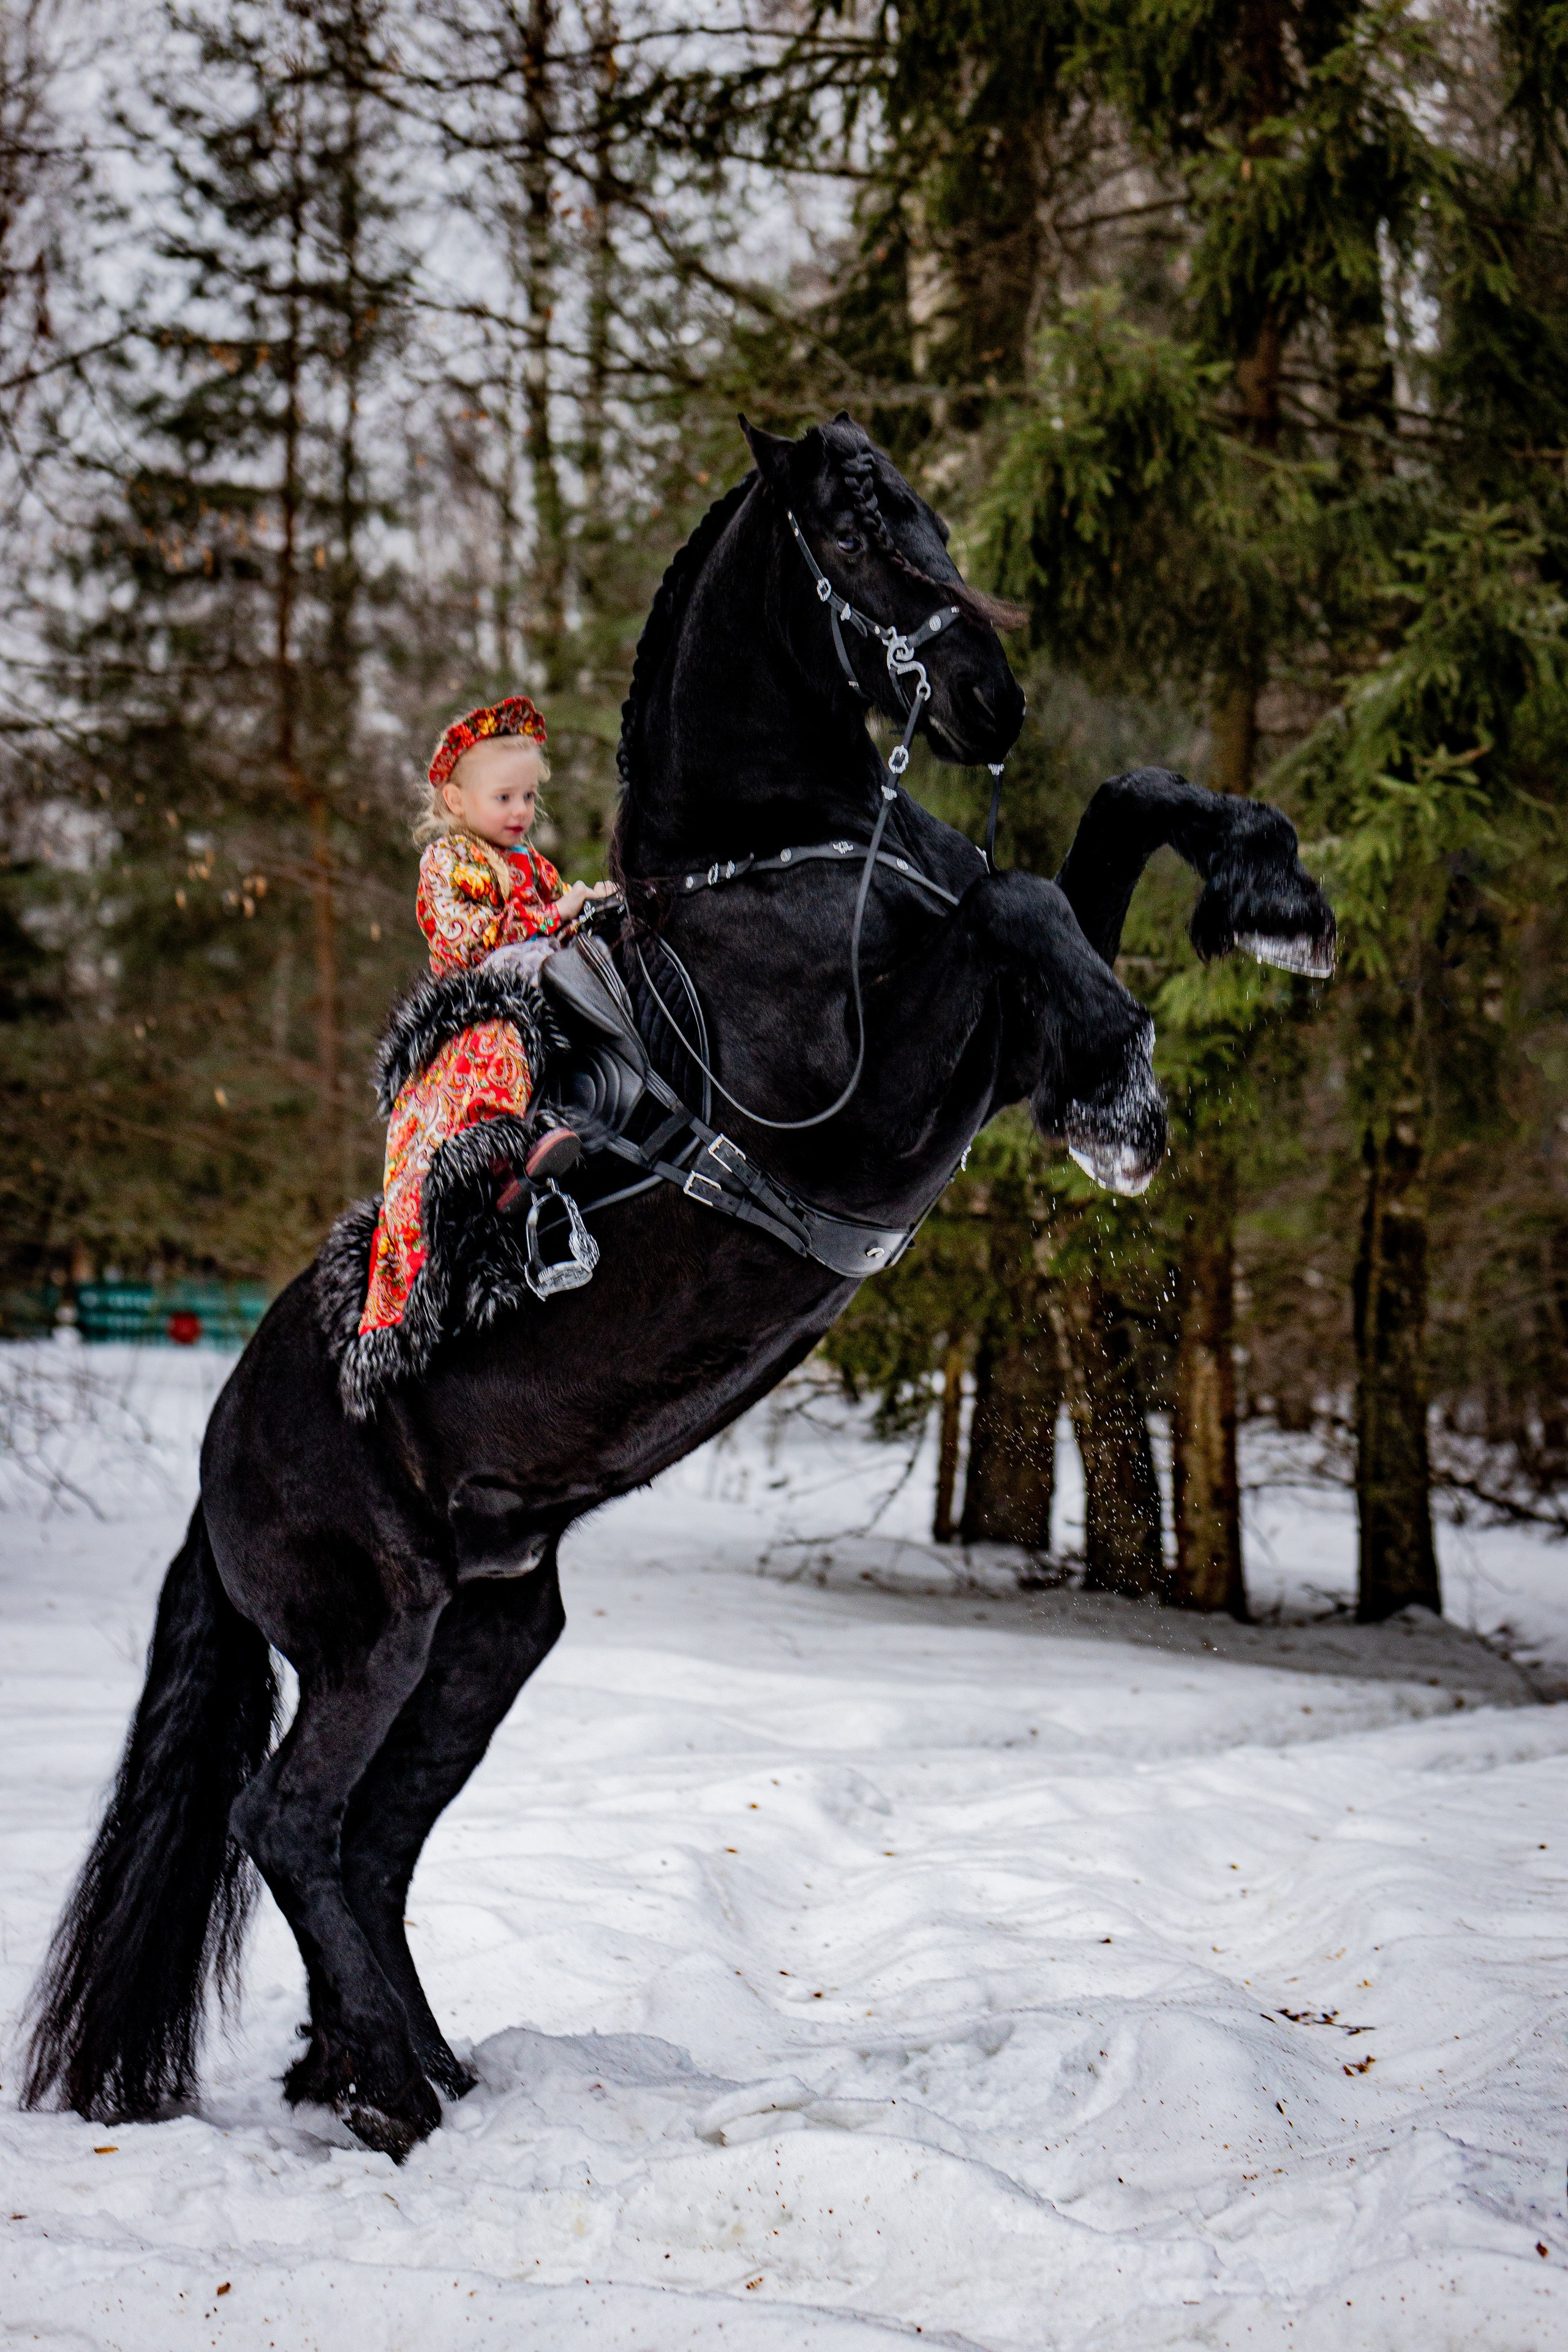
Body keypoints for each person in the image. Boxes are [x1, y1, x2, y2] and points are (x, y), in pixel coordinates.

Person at [357, 693, 615, 1345]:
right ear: (455, 802)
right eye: (504, 798)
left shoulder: (533, 865)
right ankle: (505, 1163)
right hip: (478, 1003)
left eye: (529, 798)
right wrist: (552, 919)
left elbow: (561, 917)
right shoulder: (447, 864)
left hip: (535, 987)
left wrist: (592, 909)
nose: (521, 812)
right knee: (503, 1039)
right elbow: (464, 940)